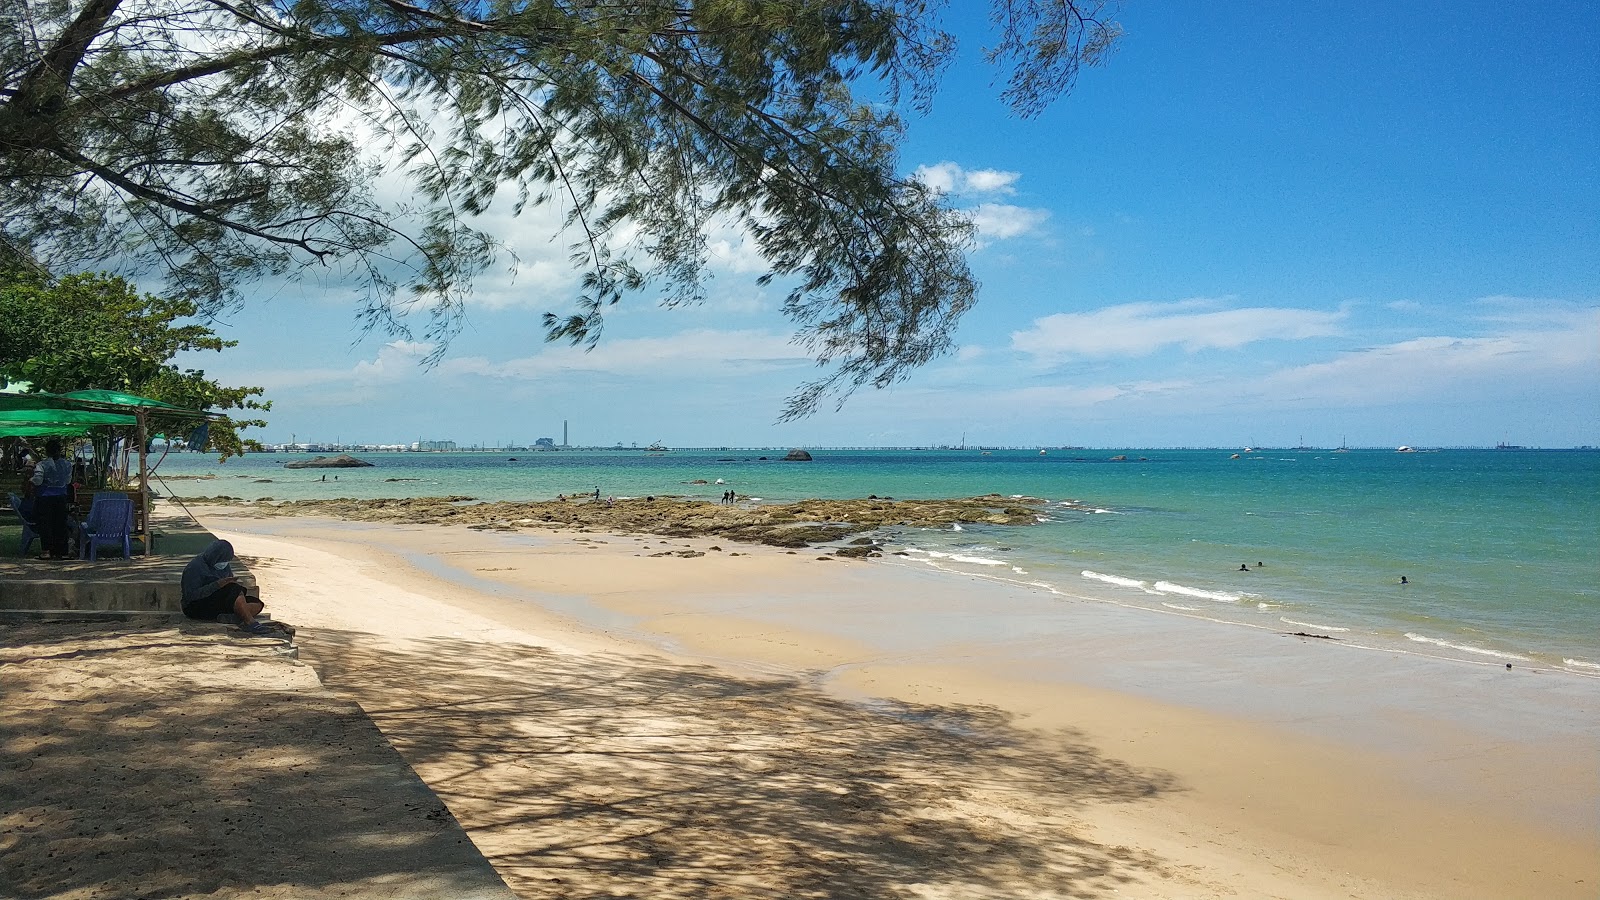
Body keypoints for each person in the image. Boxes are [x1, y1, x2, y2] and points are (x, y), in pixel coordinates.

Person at [181, 540, 272, 634]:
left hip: (217, 602)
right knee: (235, 590)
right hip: (196, 606)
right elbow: (190, 596)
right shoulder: (195, 567)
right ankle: (250, 622)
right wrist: (217, 585)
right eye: (222, 561)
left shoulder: (225, 567)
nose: (224, 564)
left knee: (257, 603)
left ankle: (234, 617)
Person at [29, 438, 74, 560]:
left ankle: (46, 551)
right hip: (61, 497)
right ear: (59, 450)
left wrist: (31, 480)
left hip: (44, 498)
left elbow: (38, 481)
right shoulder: (68, 465)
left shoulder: (42, 465)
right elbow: (68, 481)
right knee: (61, 524)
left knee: (45, 524)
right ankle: (62, 551)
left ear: (47, 451)